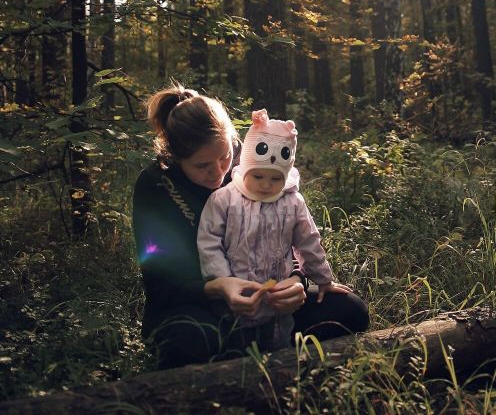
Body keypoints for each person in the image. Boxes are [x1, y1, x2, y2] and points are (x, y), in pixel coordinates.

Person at [132, 84, 369, 369]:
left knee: (350, 310)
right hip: (198, 308)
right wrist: (219, 287)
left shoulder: (249, 167)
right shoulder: (156, 185)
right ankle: (256, 357)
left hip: (270, 304)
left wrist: (296, 281)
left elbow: (282, 234)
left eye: (224, 157)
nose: (218, 173)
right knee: (191, 339)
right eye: (202, 165)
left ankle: (262, 353)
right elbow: (160, 283)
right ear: (175, 157)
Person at [197, 109, 352, 351]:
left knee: (278, 342)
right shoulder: (223, 200)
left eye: (276, 179)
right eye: (258, 176)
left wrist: (323, 279)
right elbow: (209, 242)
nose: (266, 185)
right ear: (246, 166)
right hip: (233, 301)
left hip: (278, 298)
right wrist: (222, 279)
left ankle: (282, 374)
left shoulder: (292, 202)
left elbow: (309, 241)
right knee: (235, 345)